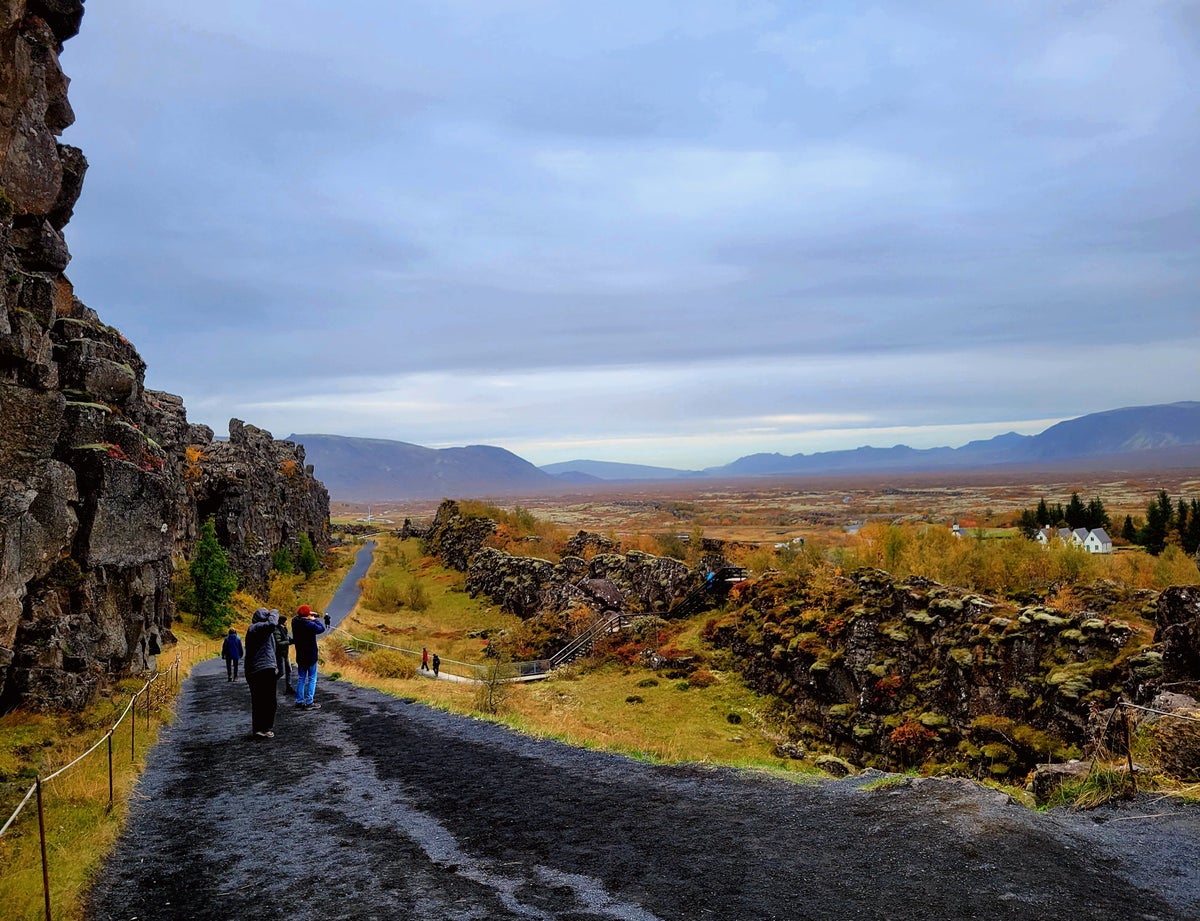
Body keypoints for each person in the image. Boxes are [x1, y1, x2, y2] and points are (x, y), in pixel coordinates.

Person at [244, 608, 278, 739]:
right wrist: (274, 611)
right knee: (268, 701)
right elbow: (272, 624)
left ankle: (260, 728)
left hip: (258, 669)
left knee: (260, 701)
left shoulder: (257, 629)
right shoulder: (257, 628)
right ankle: (263, 728)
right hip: (263, 669)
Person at [291, 604, 327, 710]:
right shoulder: (309, 625)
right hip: (310, 656)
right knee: (312, 678)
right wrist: (314, 619)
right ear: (307, 616)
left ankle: (299, 701)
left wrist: (307, 615)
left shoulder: (295, 621)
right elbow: (321, 629)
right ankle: (309, 701)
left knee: (301, 678)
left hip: (300, 655)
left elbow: (299, 617)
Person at [272, 610, 293, 693]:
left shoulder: (284, 629)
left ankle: (289, 687)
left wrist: (291, 640)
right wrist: (289, 642)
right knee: (281, 672)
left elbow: (286, 638)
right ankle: (271, 683)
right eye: (286, 621)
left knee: (289, 670)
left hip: (285, 652)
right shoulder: (277, 630)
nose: (287, 622)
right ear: (283, 622)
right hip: (280, 653)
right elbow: (279, 642)